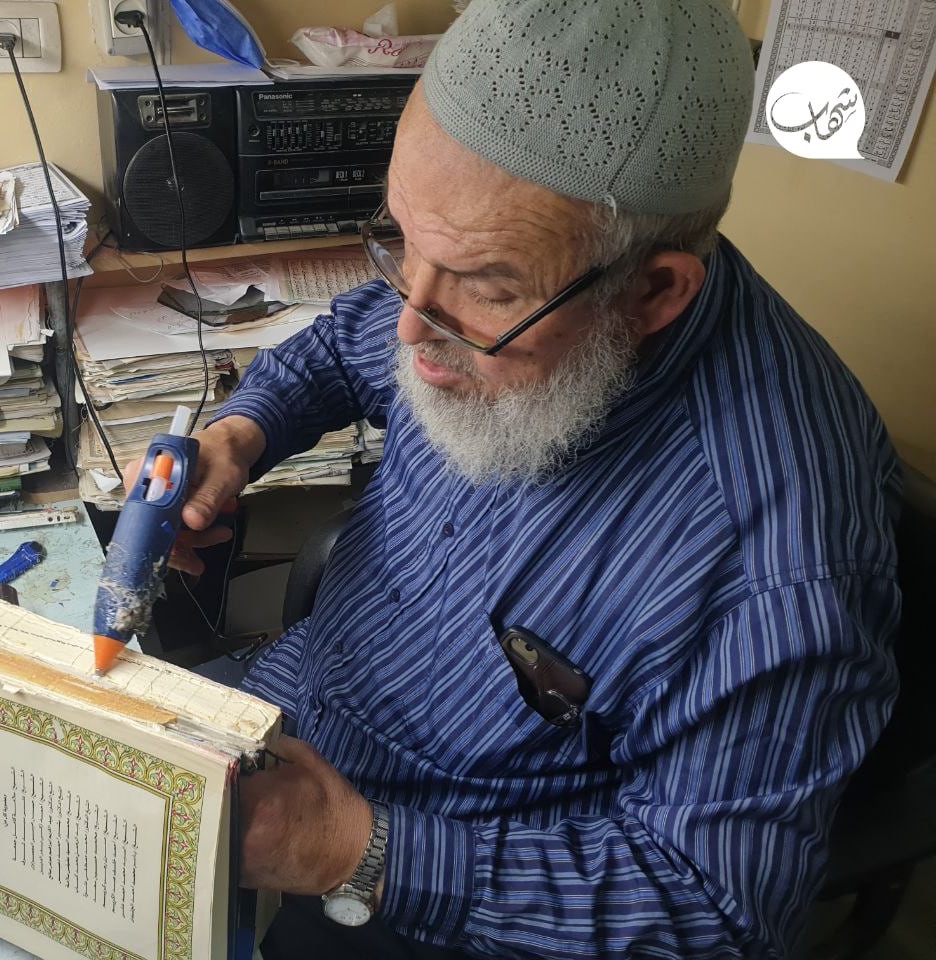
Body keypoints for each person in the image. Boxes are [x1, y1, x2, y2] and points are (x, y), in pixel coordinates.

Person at [149, 0, 902, 956]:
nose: (412, 325)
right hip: (298, 699)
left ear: (654, 292)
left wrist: (349, 851)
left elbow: (715, 912)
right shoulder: (476, 280)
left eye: (486, 287)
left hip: (458, 881)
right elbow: (345, 346)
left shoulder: (777, 550)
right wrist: (238, 434)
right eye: (402, 242)